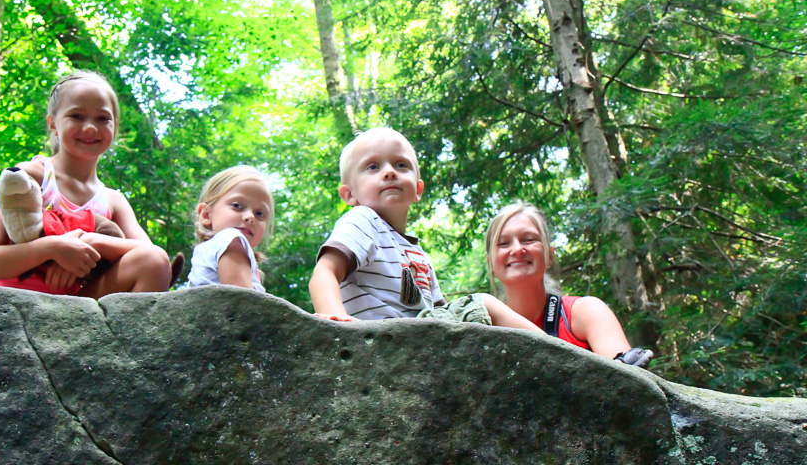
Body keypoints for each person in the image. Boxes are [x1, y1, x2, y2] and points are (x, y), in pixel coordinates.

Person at [309, 127, 539, 331]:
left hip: (416, 332)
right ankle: (553, 348)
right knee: (485, 304)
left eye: (401, 164)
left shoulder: (418, 254)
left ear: (418, 189)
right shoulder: (363, 220)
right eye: (373, 166)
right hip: (378, 332)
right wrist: (335, 323)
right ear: (349, 194)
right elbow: (325, 272)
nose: (389, 172)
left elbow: (442, 311)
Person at [0, 70, 172, 298]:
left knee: (153, 261)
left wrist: (89, 241)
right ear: (53, 124)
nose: (90, 127)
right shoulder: (30, 178)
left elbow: (154, 256)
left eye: (102, 118)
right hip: (13, 300)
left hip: (75, 306)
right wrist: (54, 248)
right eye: (76, 116)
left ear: (115, 126)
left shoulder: (113, 201)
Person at [484, 202, 653, 366]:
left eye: (528, 239)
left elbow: (628, 384)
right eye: (504, 243)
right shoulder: (485, 327)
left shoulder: (586, 312)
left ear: (549, 256)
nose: (517, 249)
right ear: (490, 263)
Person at [182, 166, 273, 290]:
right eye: (237, 205)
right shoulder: (231, 239)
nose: (250, 217)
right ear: (206, 214)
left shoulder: (212, 248)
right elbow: (242, 302)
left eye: (259, 214)